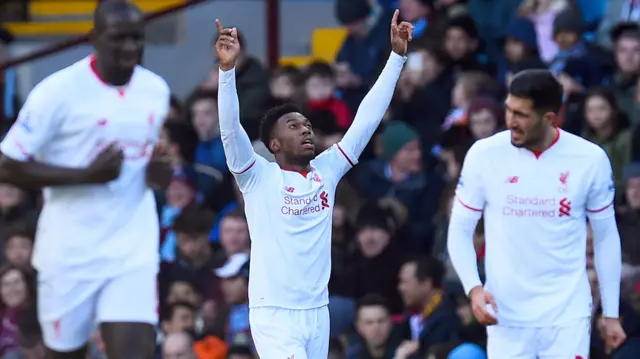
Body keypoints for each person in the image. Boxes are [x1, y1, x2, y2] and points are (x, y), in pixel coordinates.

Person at [214, 10, 413, 359]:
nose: (305, 128)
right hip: (274, 313)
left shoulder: (327, 171)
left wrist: (396, 58)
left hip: (317, 311)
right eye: (293, 126)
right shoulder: (257, 176)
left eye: (306, 124)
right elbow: (231, 130)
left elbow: (366, 120)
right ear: (273, 145)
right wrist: (227, 72)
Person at [0, 1, 173, 358]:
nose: (129, 48)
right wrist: (86, 176)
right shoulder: (57, 92)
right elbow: (7, 164)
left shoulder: (155, 90)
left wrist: (156, 173)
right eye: (118, 38)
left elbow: (142, 162)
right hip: (69, 252)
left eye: (137, 39)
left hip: (132, 247)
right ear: (93, 37)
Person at [446, 69, 626, 358]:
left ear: (549, 118)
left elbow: (606, 237)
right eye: (508, 110)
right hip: (506, 317)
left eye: (522, 114)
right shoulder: (484, 155)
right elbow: (459, 230)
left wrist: (611, 313)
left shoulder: (589, 160)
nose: (510, 122)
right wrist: (474, 288)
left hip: (567, 315)